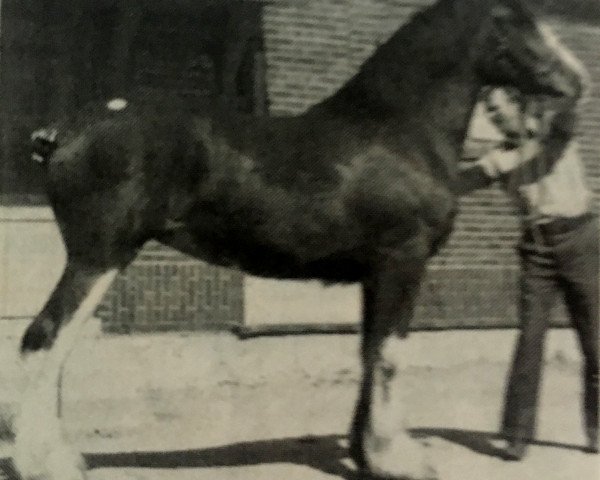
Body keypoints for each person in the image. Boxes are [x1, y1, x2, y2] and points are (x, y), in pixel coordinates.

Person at [457, 86, 599, 460]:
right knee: (529, 340)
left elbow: (571, 101)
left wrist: (553, 82)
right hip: (536, 249)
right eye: (489, 110)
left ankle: (598, 427)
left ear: (518, 104)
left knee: (595, 338)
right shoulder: (499, 158)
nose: (495, 116)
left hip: (580, 241)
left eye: (498, 107)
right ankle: (517, 435)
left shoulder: (555, 131)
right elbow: (461, 182)